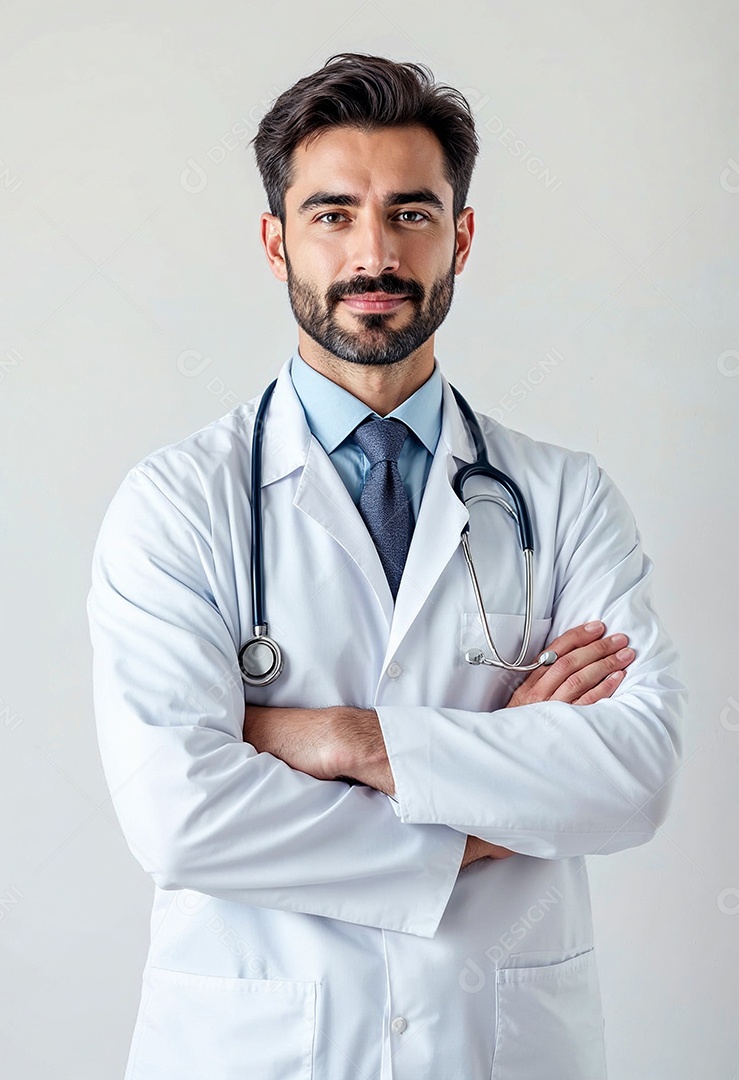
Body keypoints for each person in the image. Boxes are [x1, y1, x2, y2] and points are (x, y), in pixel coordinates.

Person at [87, 52, 686, 1080]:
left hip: (499, 1048)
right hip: (253, 1050)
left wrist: (345, 738)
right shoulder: (177, 503)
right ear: (276, 245)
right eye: (332, 216)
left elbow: (630, 775)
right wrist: (482, 820)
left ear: (460, 235)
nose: (374, 253)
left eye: (410, 213)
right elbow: (182, 817)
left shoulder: (563, 495)